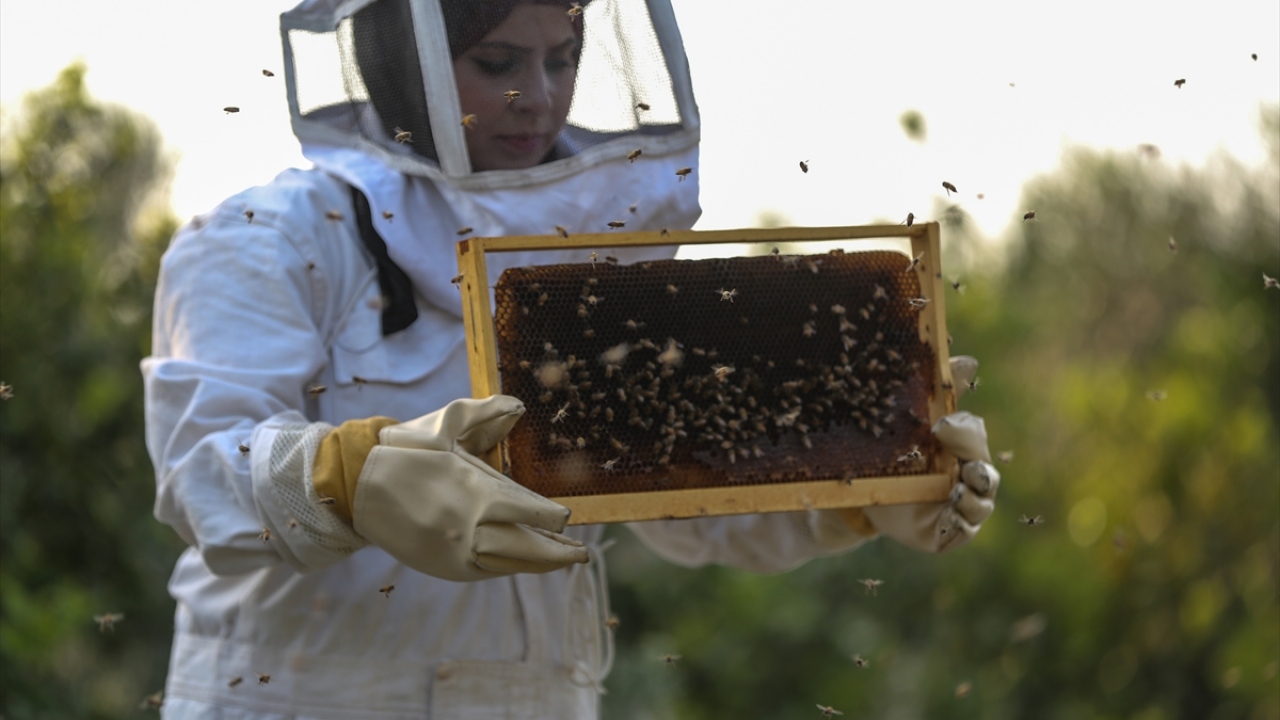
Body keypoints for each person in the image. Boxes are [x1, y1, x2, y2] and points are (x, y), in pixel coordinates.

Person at [142, 1, 1000, 718]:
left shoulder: (588, 265)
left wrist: (862, 487)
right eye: (498, 60)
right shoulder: (273, 237)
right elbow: (199, 469)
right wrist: (344, 477)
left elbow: (687, 495)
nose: (538, 97)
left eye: (563, 58)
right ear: (410, 66)